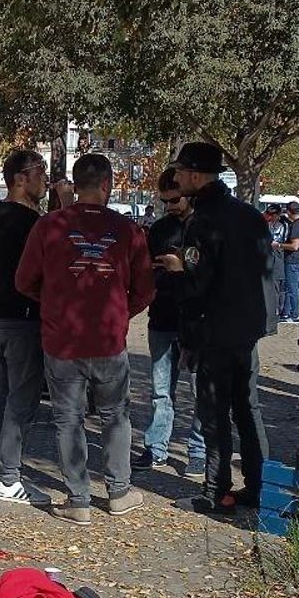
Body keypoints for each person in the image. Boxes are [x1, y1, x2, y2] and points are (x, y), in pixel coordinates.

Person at [16, 153, 153, 525]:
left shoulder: (49, 226)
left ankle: (79, 500)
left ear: (74, 185)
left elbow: (24, 280)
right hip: (108, 338)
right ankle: (119, 491)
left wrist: (52, 302)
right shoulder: (128, 230)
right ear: (107, 185)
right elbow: (145, 288)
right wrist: (122, 312)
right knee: (116, 416)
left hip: (62, 339)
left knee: (68, 418)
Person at [159, 142, 274, 516]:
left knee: (214, 414)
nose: (174, 178)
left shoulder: (203, 221)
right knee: (248, 409)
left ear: (194, 175)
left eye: (178, 172)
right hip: (247, 328)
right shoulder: (250, 216)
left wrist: (177, 272)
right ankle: (260, 487)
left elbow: (197, 285)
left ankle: (216, 491)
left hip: (215, 329)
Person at [0, 149, 48, 503]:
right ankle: (8, 476)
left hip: (1, 310)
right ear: (21, 178)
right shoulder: (30, 220)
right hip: (24, 313)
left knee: (1, 393)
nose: (45, 180)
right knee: (21, 397)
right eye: (41, 173)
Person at [136, 169, 206, 476]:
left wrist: (183, 269)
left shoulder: (206, 227)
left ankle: (199, 450)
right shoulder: (160, 228)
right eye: (165, 201)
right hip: (162, 316)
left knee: (199, 390)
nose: (170, 207)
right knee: (160, 389)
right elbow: (145, 267)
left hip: (196, 319)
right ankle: (156, 448)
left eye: (175, 200)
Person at [280, 203, 299, 323]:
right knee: (292, 288)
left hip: (293, 260)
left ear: (289, 212)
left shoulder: (296, 225)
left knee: (292, 289)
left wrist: (279, 245)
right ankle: (286, 313)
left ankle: (294, 314)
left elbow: (294, 246)